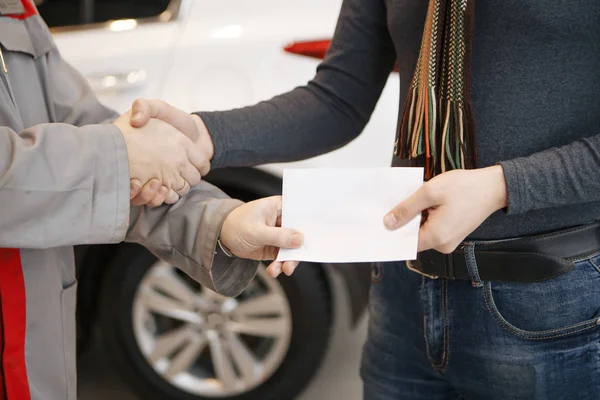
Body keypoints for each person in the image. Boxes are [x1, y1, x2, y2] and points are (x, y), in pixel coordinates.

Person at [132, 0, 600, 399]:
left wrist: (502, 186)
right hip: (404, 290)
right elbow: (337, 99)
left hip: (549, 298)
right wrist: (207, 137)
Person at [0, 2, 301, 399]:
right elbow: (112, 156)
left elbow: (83, 126)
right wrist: (121, 156)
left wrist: (222, 223)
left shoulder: (16, 10)